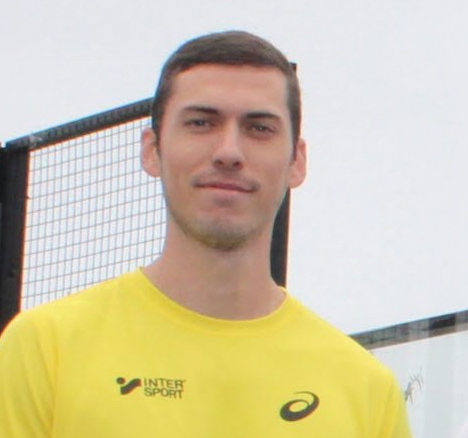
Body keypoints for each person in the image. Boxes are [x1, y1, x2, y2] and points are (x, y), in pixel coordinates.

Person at [0, 30, 411, 437]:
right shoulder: (45, 349)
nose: (228, 151)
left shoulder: (365, 389)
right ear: (152, 149)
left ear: (296, 161)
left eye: (259, 128)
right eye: (201, 123)